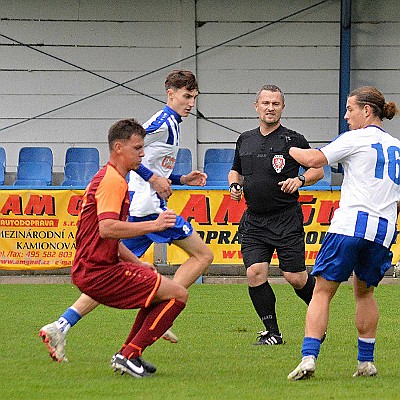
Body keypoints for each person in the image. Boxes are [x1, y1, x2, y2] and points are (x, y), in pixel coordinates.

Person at [39, 70, 213, 362]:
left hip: (142, 207)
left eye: (194, 97)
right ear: (170, 94)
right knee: (203, 256)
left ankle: (61, 325)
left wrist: (181, 178)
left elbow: (154, 164)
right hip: (148, 209)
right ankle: (164, 305)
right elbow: (132, 148)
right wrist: (153, 179)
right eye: (186, 96)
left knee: (109, 277)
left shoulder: (174, 123)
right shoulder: (162, 121)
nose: (191, 103)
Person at [42, 118, 188, 378]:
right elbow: (107, 228)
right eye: (137, 148)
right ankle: (128, 354)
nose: (142, 153)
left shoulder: (111, 178)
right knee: (178, 295)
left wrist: (137, 263)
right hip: (99, 271)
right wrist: (154, 225)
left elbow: (111, 238)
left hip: (95, 267)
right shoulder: (113, 181)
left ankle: (132, 354)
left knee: (158, 291)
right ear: (119, 148)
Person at [287, 86, 400, 380]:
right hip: (383, 229)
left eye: (350, 109)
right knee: (365, 292)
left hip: (351, 224)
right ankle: (366, 362)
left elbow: (313, 160)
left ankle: (309, 357)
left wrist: (288, 148)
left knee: (322, 292)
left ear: (366, 110)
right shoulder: (397, 146)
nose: (346, 116)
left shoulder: (355, 138)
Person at [228, 84, 324, 345]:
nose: (270, 108)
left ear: (282, 107)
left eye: (275, 104)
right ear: (256, 106)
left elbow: (318, 170)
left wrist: (301, 180)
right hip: (255, 220)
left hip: (286, 218)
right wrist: (234, 185)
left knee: (295, 277)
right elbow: (235, 171)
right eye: (266, 103)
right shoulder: (245, 139)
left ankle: (320, 313)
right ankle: (273, 333)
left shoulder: (294, 140)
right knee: (255, 273)